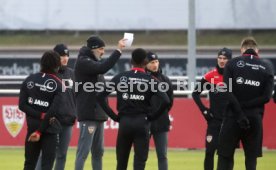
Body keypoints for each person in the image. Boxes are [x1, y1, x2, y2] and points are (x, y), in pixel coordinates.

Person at [96, 48, 170, 170]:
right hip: (143, 123)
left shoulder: (121, 77)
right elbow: (166, 100)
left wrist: (114, 116)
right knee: (140, 163)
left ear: (131, 61)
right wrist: (152, 117)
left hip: (125, 122)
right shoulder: (151, 80)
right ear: (145, 62)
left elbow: (100, 96)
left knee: (121, 162)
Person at [217, 37, 274, 170]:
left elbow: (227, 91)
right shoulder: (267, 67)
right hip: (254, 118)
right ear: (257, 50)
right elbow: (266, 97)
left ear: (242, 49)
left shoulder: (231, 64)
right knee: (251, 159)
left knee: (225, 156)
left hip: (232, 117)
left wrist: (239, 111)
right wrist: (247, 106)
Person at [74, 35, 126, 170]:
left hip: (99, 115)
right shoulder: (83, 62)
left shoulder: (93, 63)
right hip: (89, 115)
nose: (103, 52)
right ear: (93, 49)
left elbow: (101, 91)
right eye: (101, 49)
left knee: (98, 152)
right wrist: (118, 50)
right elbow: (103, 67)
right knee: (83, 152)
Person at [19, 51, 63, 170]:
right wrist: (40, 131)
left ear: (42, 63)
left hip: (32, 128)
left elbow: (22, 106)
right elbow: (52, 112)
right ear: (57, 65)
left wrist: (39, 116)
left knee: (29, 164)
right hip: (49, 130)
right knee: (47, 166)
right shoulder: (59, 84)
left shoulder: (29, 79)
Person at [35, 44, 76, 170]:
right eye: (62, 56)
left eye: (67, 55)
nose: (65, 58)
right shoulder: (48, 75)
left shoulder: (72, 74)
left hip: (68, 120)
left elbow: (76, 96)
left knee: (62, 155)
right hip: (51, 120)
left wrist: (74, 113)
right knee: (46, 154)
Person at [192, 47, 232, 170]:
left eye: (225, 58)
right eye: (220, 58)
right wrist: (204, 111)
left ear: (229, 60)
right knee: (209, 152)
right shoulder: (210, 76)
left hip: (230, 121)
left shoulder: (234, 76)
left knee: (227, 155)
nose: (222, 60)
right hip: (214, 121)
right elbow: (195, 93)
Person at [145, 51, 174, 170]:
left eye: (156, 61)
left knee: (162, 156)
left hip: (161, 122)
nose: (155, 64)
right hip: (144, 122)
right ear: (145, 64)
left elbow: (170, 102)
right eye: (152, 62)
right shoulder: (141, 79)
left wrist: (159, 113)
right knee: (141, 155)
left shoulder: (165, 80)